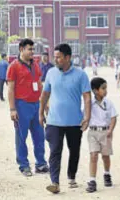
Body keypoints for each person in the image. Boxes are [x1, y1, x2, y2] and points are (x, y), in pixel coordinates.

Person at [39, 43, 91, 194]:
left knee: (74, 150)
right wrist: (40, 113)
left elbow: (87, 97)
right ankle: (54, 182)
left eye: (59, 57)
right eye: (54, 57)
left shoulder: (80, 75)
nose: (56, 60)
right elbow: (44, 95)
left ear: (68, 57)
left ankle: (71, 176)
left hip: (75, 121)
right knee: (55, 151)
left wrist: (87, 116)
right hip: (54, 121)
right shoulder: (51, 73)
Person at [7, 38, 49, 177]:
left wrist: (45, 103)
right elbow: (11, 89)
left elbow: (39, 83)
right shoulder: (13, 66)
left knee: (39, 135)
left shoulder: (36, 64)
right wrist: (13, 109)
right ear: (21, 49)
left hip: (36, 104)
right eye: (29, 49)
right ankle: (24, 165)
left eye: (33, 49)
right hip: (22, 105)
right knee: (21, 136)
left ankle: (41, 164)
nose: (32, 52)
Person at [86, 77, 118, 193]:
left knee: (105, 156)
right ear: (95, 91)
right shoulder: (89, 103)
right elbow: (84, 115)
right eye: (103, 88)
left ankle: (107, 173)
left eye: (106, 88)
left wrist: (110, 130)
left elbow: (113, 117)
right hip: (93, 132)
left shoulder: (108, 103)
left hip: (105, 132)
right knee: (93, 155)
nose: (105, 91)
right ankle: (92, 181)